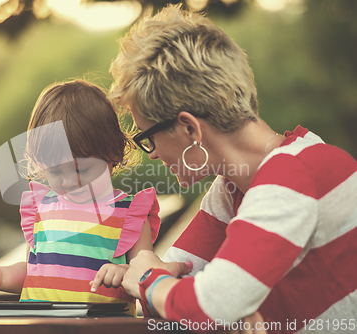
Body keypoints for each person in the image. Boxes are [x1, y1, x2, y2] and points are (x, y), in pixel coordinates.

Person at [108, 4, 357, 333]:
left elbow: (206, 306)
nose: (151, 155)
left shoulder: (295, 173)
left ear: (189, 129)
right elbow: (173, 304)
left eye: (147, 137)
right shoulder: (231, 189)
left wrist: (147, 279)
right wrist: (158, 285)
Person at [0, 80, 164, 316]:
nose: (69, 181)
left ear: (114, 153)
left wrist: (126, 274)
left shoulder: (129, 214)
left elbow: (148, 278)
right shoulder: (42, 209)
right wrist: (1, 275)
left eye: (81, 170)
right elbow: (35, 272)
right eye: (56, 171)